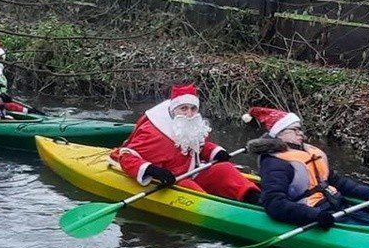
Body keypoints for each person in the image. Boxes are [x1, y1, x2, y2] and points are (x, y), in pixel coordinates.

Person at [111, 85, 260, 202]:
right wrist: (153, 171)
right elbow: (127, 156)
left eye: (193, 109)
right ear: (173, 110)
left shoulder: (192, 126)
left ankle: (255, 198)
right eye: (183, 109)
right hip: (172, 180)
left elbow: (200, 147)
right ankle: (220, 212)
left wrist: (216, 152)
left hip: (194, 171)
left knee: (224, 168)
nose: (189, 114)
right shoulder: (153, 131)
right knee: (190, 188)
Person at [242, 106, 369, 228]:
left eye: (301, 130)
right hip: (311, 213)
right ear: (280, 133)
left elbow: (338, 182)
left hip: (335, 205)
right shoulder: (275, 163)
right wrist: (315, 215)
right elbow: (274, 203)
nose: (301, 133)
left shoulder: (308, 153)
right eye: (295, 130)